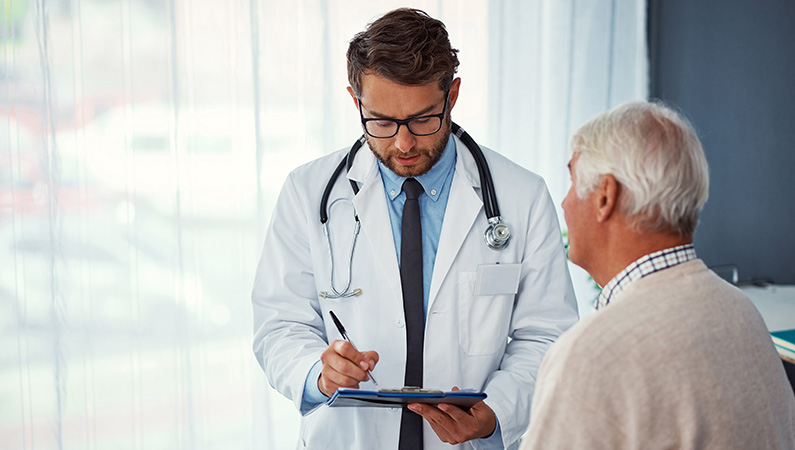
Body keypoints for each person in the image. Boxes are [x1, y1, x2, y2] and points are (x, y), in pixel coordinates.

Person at [251, 8, 578, 450]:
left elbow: (547, 335)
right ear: (356, 102)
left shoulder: (522, 197)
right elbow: (279, 324)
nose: (403, 143)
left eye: (423, 119)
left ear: (452, 95)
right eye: (382, 121)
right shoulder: (306, 193)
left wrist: (495, 412)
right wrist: (318, 372)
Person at [520, 101, 795, 450]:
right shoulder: (742, 311)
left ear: (605, 196)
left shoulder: (594, 354)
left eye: (572, 182)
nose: (564, 203)